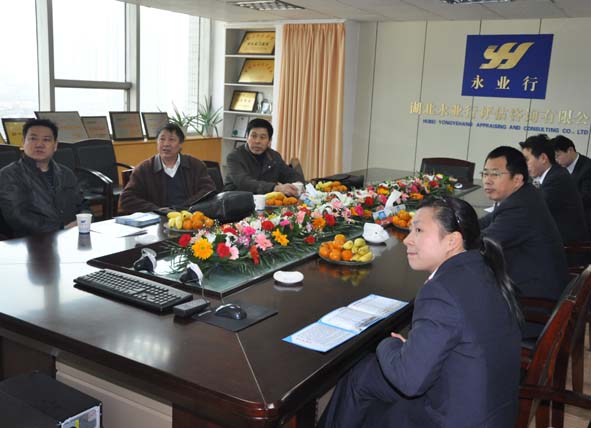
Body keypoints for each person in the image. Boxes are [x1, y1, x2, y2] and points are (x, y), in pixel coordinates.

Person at [318, 197, 522, 428]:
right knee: (363, 374)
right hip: (489, 410)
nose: (407, 240)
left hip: (450, 416)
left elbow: (409, 381)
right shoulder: (482, 268)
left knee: (368, 377)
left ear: (452, 241)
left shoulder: (441, 291)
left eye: (418, 230)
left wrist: (386, 342)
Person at [479, 146, 569, 301]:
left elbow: (482, 244)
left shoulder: (520, 206)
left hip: (534, 299)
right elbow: (484, 222)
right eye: (485, 173)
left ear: (517, 179)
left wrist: (450, 237)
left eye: (495, 174)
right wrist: (457, 226)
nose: (487, 180)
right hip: (530, 280)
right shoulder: (523, 194)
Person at [0, 118, 84, 238]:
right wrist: (61, 229)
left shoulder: (66, 173)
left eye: (46, 139)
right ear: (23, 142)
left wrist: (85, 219)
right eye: (33, 139)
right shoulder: (9, 175)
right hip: (30, 241)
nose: (39, 144)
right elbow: (18, 217)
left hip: (69, 237)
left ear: (55, 146)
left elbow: (82, 204)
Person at [120, 123, 216, 214]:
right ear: (157, 142)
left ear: (180, 144)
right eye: (162, 139)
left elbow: (208, 190)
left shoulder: (195, 165)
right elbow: (126, 199)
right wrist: (156, 210)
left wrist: (186, 207)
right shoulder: (144, 169)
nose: (166, 144)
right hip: (158, 219)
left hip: (190, 217)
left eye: (171, 139)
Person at [519, 134, 588, 242]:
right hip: (549, 238)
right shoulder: (543, 175)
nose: (523, 165)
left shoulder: (557, 179)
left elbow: (532, 209)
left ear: (543, 158)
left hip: (566, 246)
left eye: (527, 160)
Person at [223, 118, 304, 196]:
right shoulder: (234, 157)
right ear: (247, 137)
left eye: (262, 137)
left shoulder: (274, 157)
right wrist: (275, 188)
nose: (257, 141)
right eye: (254, 136)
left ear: (269, 140)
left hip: (265, 201)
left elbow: (291, 175)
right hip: (235, 200)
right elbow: (243, 182)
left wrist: (297, 185)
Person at [553, 134, 591, 232]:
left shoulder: (588, 168)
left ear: (570, 150)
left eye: (558, 155)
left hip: (582, 223)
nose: (556, 160)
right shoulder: (558, 167)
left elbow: (586, 197)